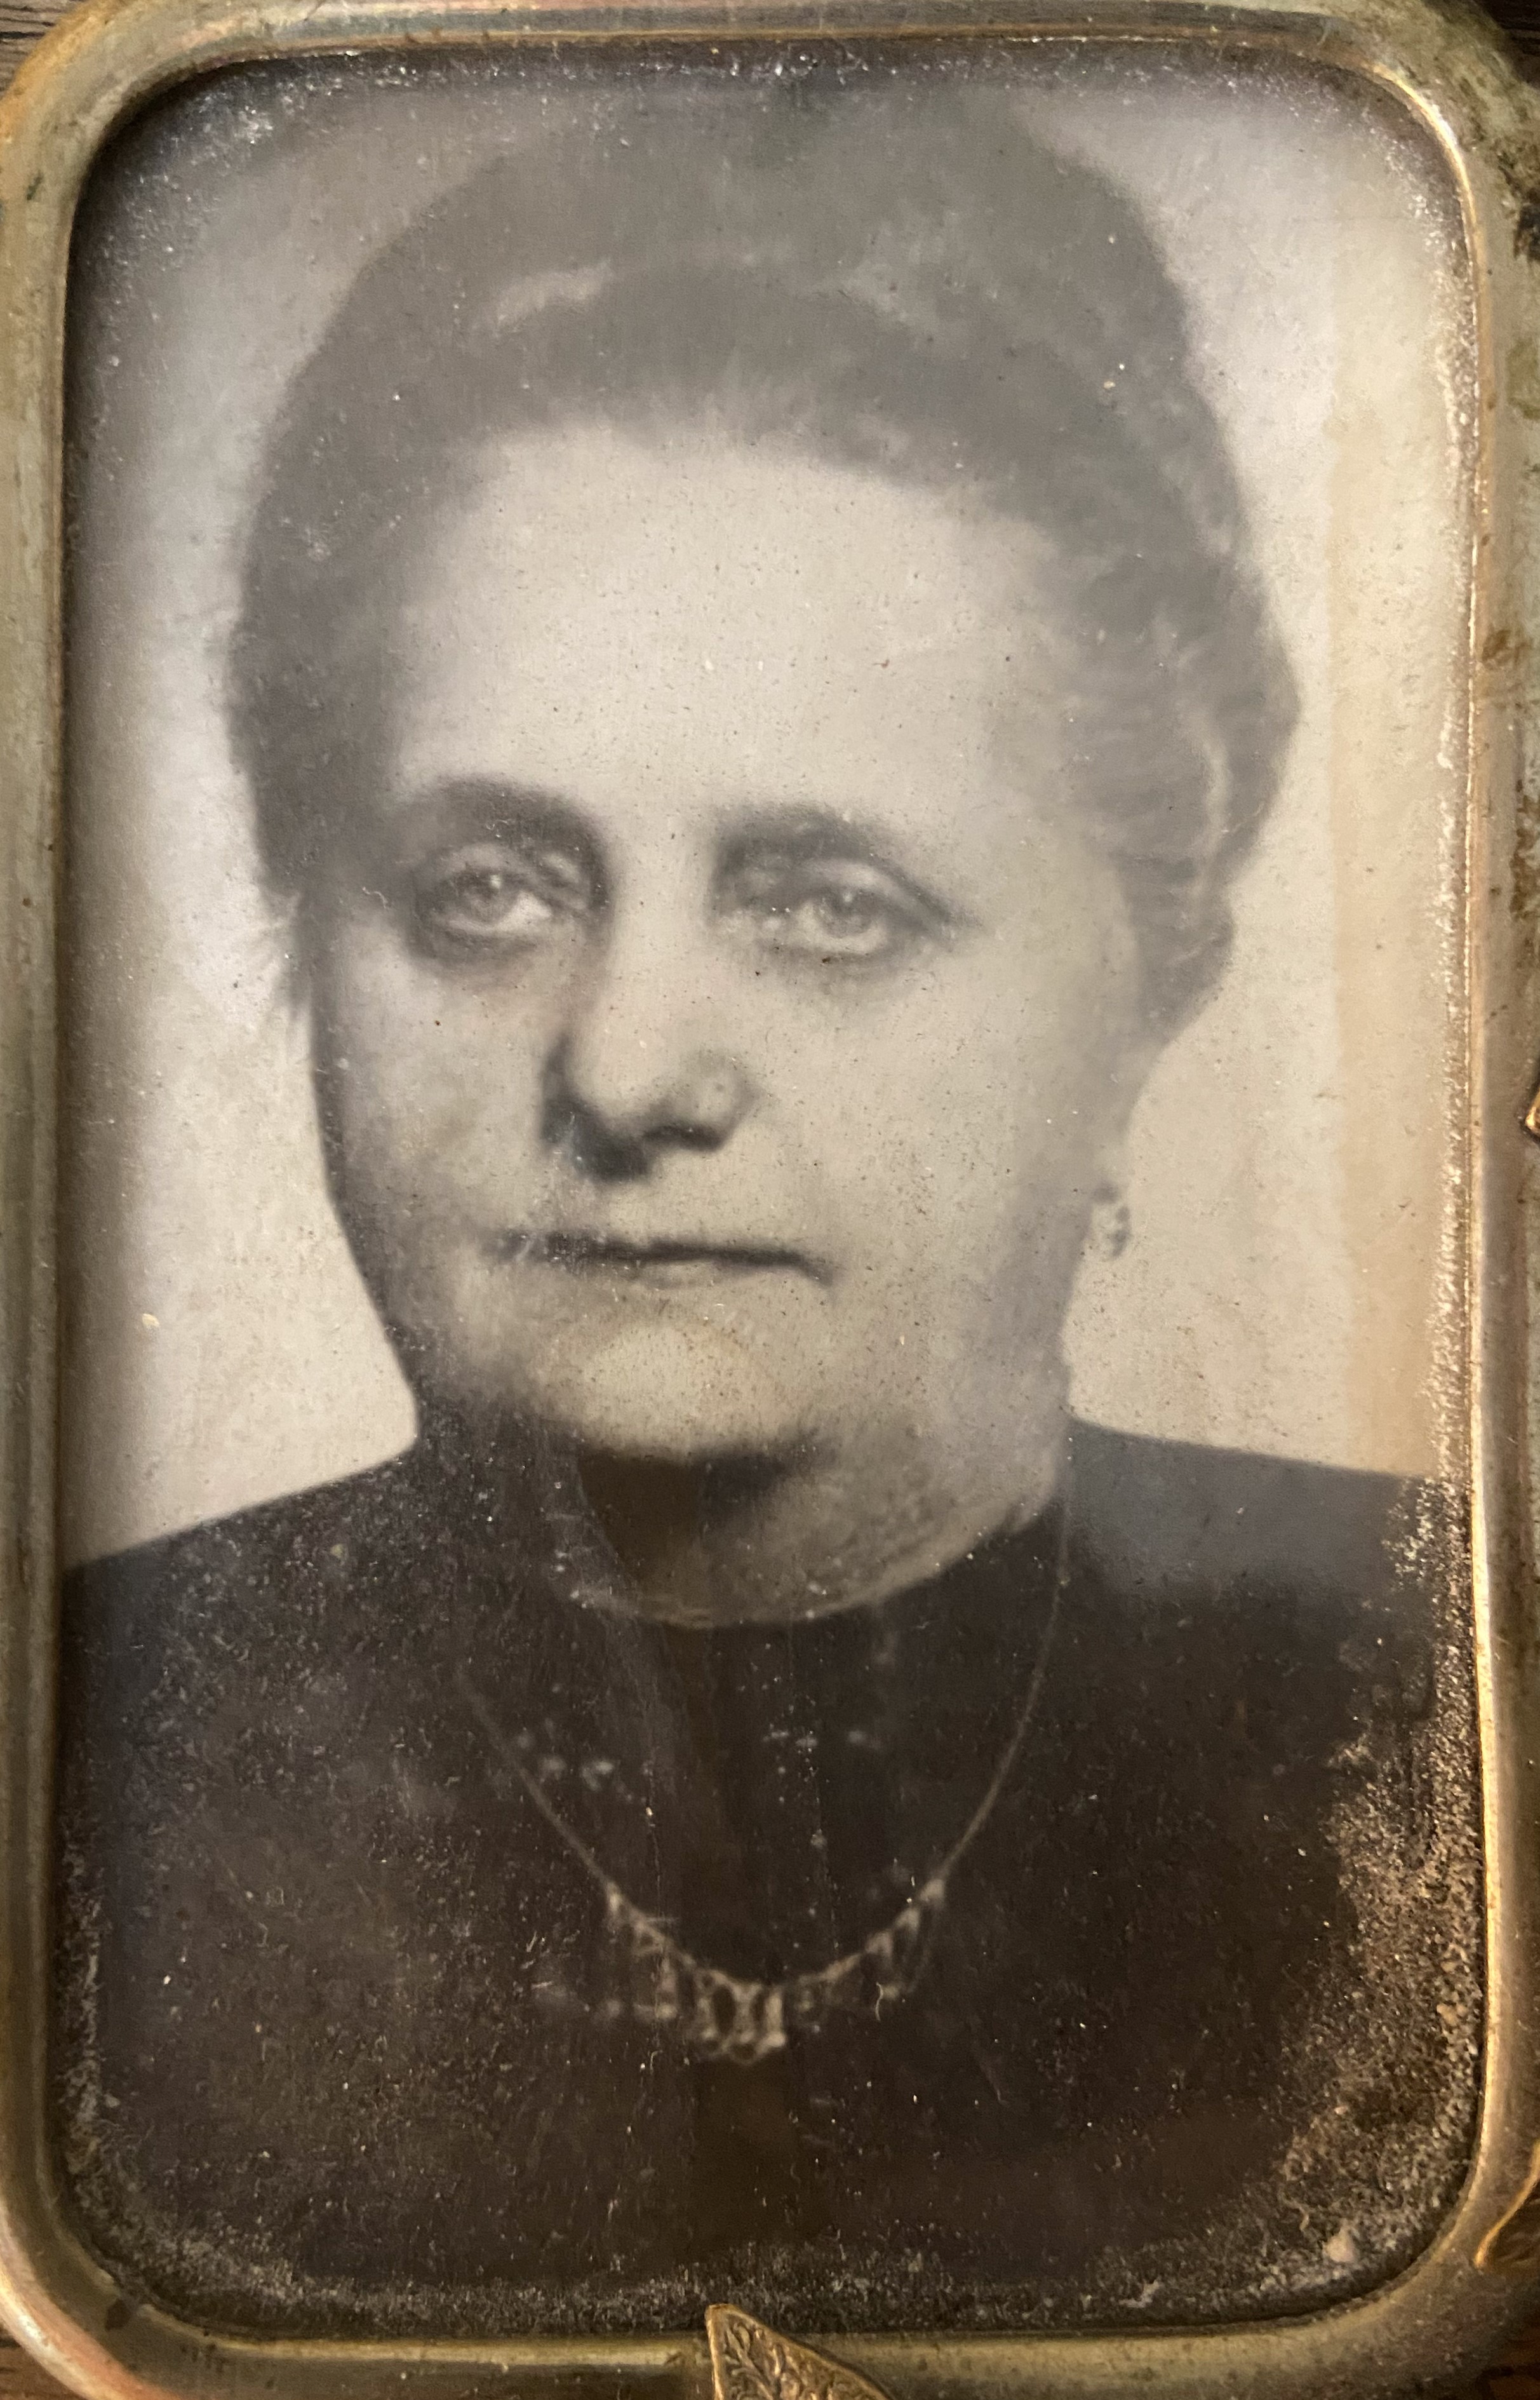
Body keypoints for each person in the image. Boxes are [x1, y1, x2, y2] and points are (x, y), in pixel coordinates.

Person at [55, 64, 1477, 2342]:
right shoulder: (89, 1736)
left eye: (827, 901)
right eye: (488, 885)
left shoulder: (1425, 1715)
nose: (626, 1069)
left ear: (1153, 974)